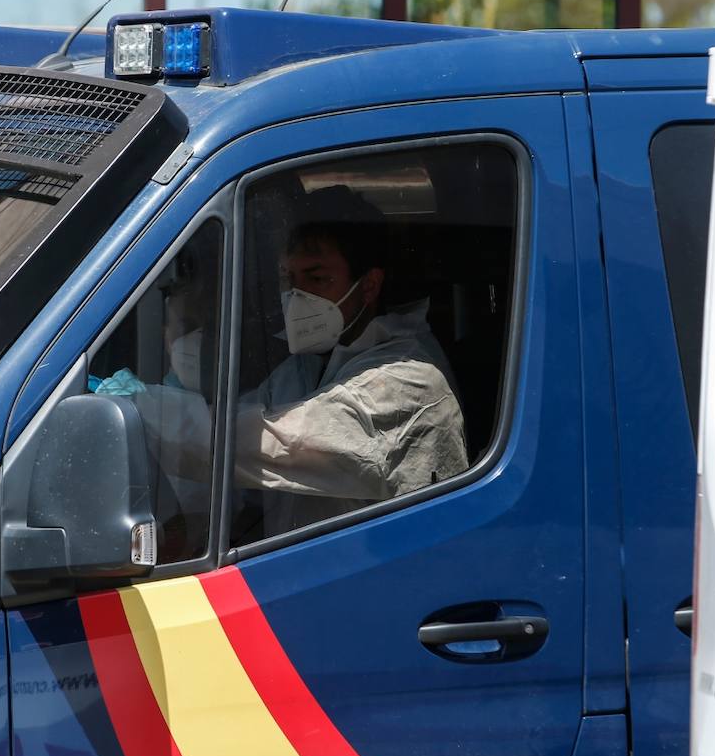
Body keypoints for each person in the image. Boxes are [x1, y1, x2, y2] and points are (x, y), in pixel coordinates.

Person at [109, 189, 469, 539]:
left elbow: (267, 443)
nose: (298, 297)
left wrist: (144, 410)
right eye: (289, 279)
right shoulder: (306, 366)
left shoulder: (406, 381)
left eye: (317, 278)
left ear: (369, 285)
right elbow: (243, 446)